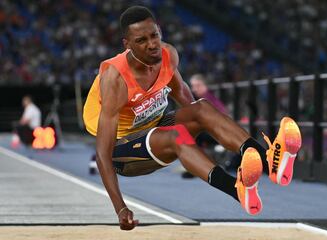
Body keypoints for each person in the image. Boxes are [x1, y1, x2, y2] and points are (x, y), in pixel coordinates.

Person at [83, 6, 302, 231]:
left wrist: (211, 135)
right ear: (127, 45)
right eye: (141, 40)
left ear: (159, 31)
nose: (151, 44)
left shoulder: (167, 56)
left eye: (154, 35)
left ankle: (269, 162)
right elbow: (102, 154)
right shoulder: (115, 78)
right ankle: (236, 189)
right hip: (122, 149)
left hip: (154, 128)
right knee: (176, 136)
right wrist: (120, 208)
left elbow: (193, 109)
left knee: (202, 108)